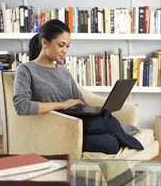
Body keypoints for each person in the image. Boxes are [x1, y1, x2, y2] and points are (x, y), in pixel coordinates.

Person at [13, 19, 143, 154]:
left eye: (67, 46)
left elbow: (81, 103)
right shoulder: (25, 70)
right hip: (56, 127)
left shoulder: (64, 72)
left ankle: (118, 132)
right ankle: (122, 133)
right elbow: (21, 106)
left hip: (78, 122)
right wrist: (62, 104)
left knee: (109, 128)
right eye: (61, 45)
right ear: (45, 42)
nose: (65, 51)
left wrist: (94, 110)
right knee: (110, 136)